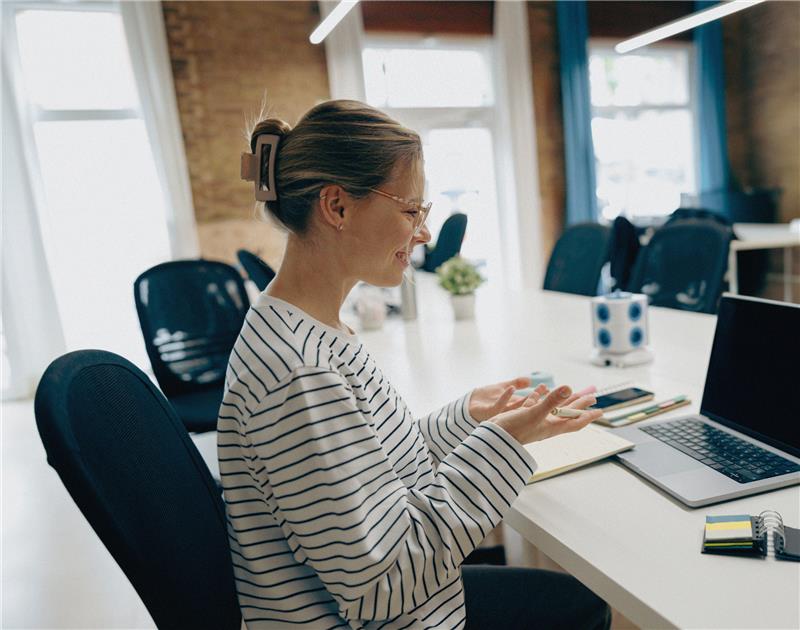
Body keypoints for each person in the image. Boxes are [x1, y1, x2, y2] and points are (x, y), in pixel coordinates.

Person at [219, 99, 611, 630]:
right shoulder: (297, 374)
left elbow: (369, 474)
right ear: (337, 207)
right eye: (411, 212)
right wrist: (502, 446)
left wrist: (465, 418)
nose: (424, 234)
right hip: (392, 616)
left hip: (398, 610)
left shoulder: (309, 329)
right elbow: (385, 584)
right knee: (578, 608)